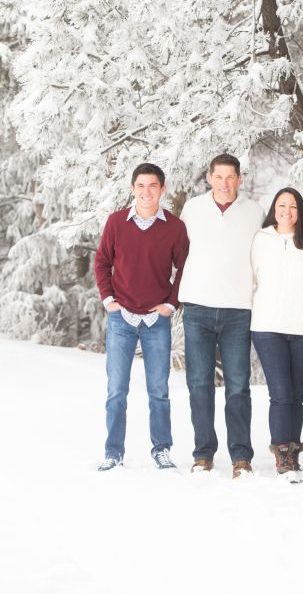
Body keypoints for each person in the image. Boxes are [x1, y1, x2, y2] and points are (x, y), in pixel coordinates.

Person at [94, 163, 189, 471]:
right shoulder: (117, 222)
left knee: (159, 391)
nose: (146, 191)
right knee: (116, 390)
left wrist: (170, 305)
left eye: (153, 186)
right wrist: (109, 299)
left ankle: (161, 449)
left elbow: (185, 269)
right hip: (121, 318)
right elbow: (102, 261)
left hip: (155, 320)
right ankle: (113, 451)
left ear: (162, 189)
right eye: (141, 185)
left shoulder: (174, 227)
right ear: (132, 188)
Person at [179, 153, 264, 478]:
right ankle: (203, 454)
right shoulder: (192, 209)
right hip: (198, 307)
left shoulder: (254, 211)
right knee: (199, 384)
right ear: (210, 179)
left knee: (238, 386)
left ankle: (241, 457)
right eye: (219, 177)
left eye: (231, 177)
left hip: (238, 310)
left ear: (239, 179)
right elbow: (178, 252)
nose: (225, 183)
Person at [251, 188, 303, 478]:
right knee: (280, 393)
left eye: (293, 206)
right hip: (267, 327)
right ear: (274, 208)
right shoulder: (261, 239)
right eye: (282, 205)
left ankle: (293, 451)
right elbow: (252, 276)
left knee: (297, 395)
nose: (287, 211)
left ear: (300, 211)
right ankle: (281, 454)